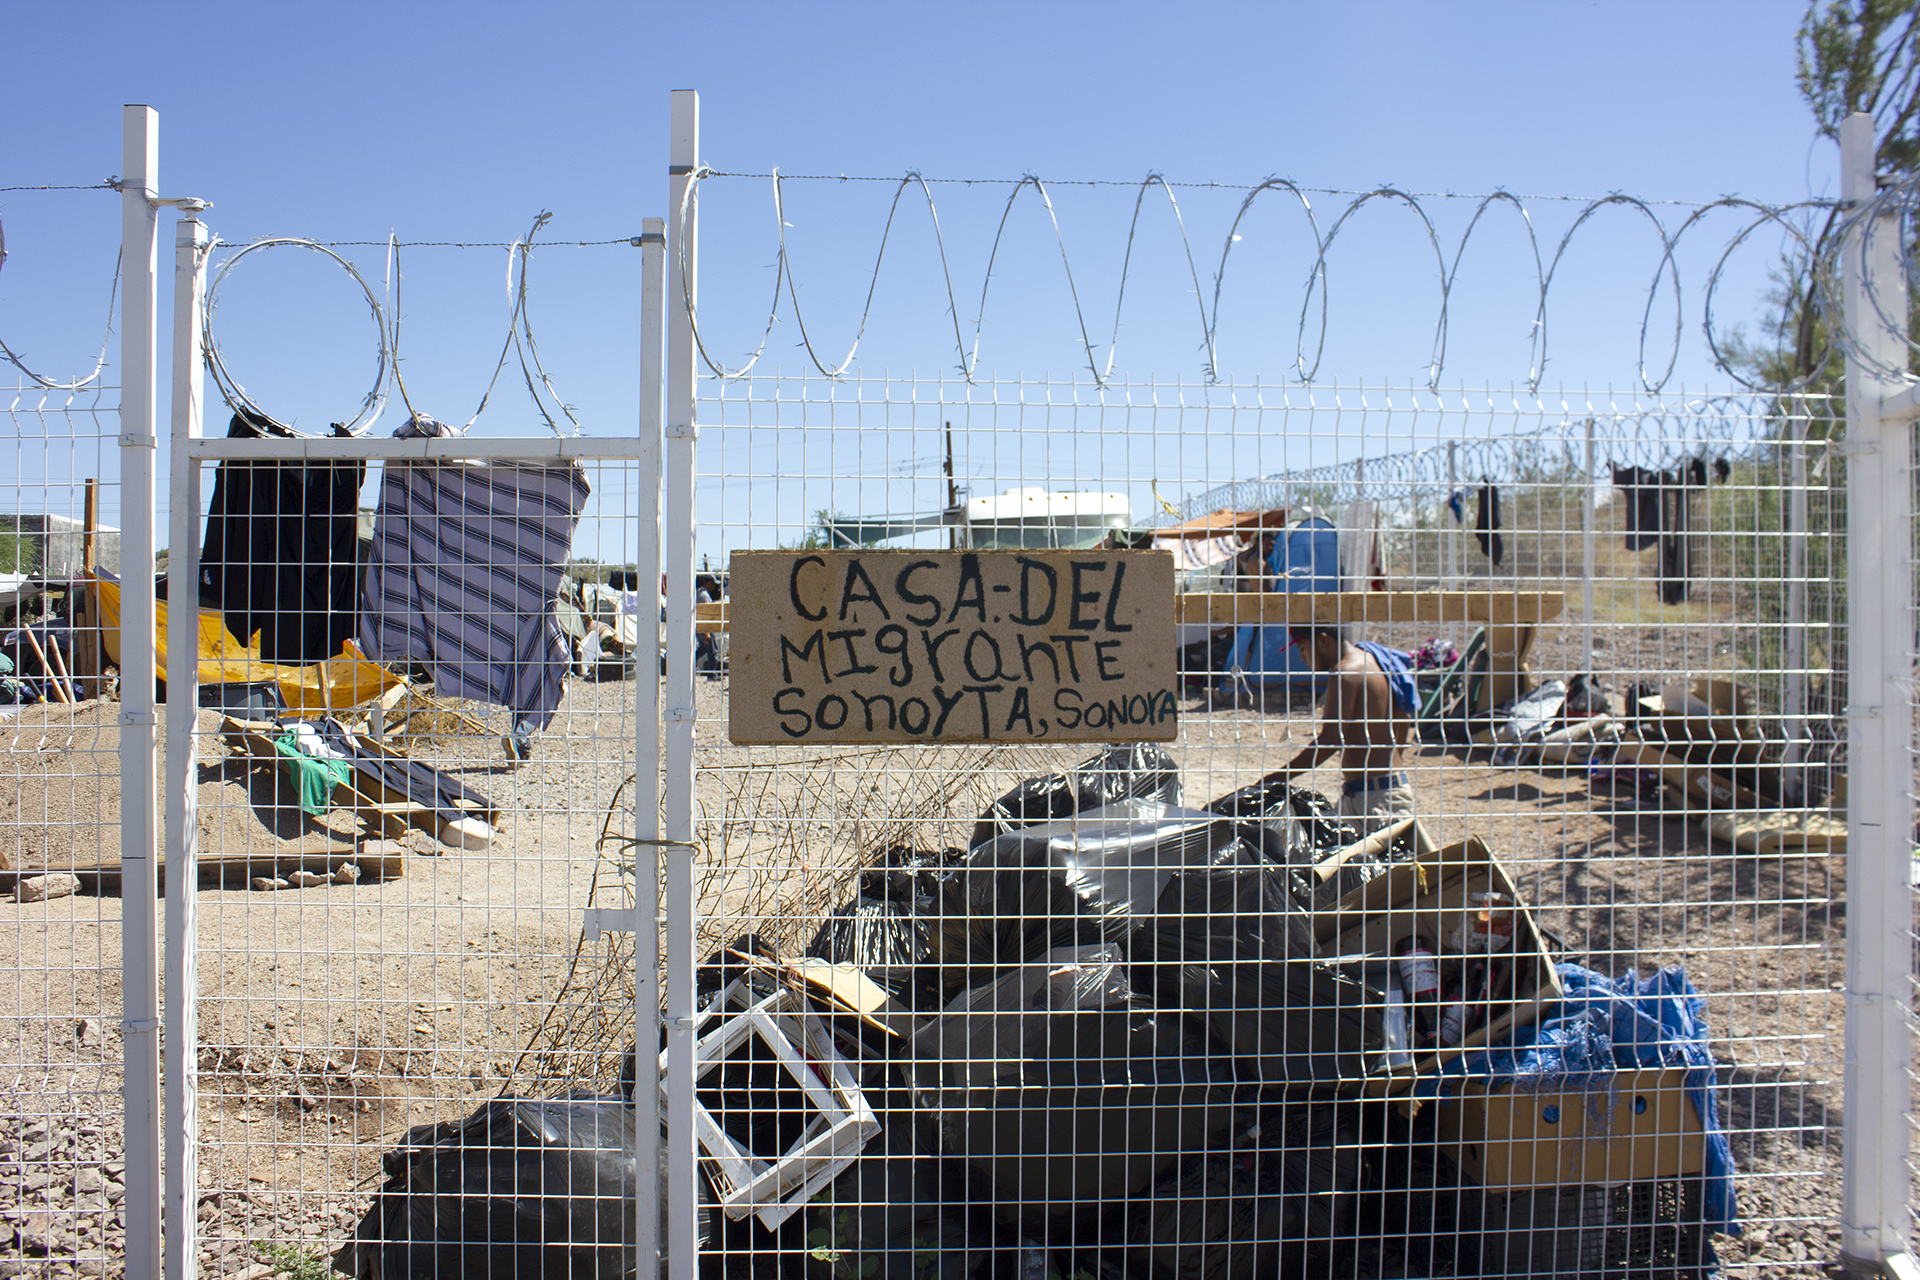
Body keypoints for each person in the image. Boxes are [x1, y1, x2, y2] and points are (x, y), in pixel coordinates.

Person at [1257, 626, 1419, 836]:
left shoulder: (1345, 673)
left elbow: (1330, 740)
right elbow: (1402, 717)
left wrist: (1274, 779)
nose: (1302, 657)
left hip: (1376, 801)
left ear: (1323, 641)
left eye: (1303, 648)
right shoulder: (1374, 661)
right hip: (1379, 790)